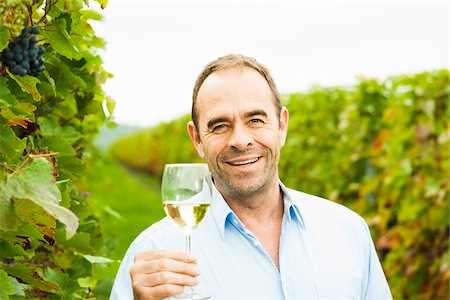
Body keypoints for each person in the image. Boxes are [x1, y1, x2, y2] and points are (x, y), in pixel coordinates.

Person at [110, 54, 392, 300]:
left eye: (255, 120)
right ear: (197, 139)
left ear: (281, 125)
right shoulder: (153, 254)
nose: (241, 140)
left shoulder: (349, 231)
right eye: (220, 126)